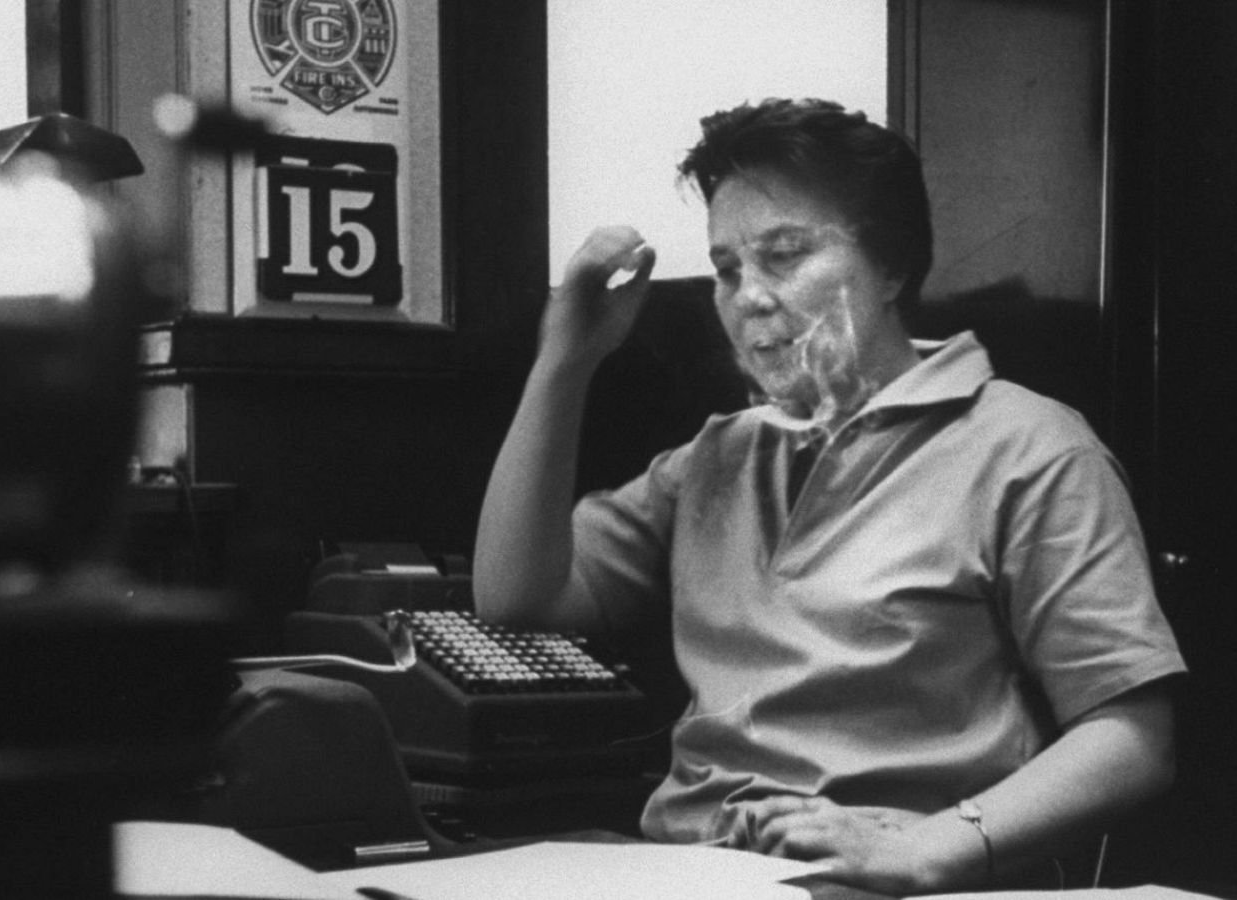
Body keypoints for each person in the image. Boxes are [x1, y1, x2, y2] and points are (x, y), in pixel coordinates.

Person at [473, 98, 1186, 895]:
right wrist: (565, 361)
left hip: (895, 878)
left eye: (784, 256)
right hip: (694, 870)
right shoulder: (719, 455)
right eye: (727, 269)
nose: (748, 296)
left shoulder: (1028, 447)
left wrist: (933, 848)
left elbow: (1133, 737)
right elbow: (517, 596)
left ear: (891, 268)